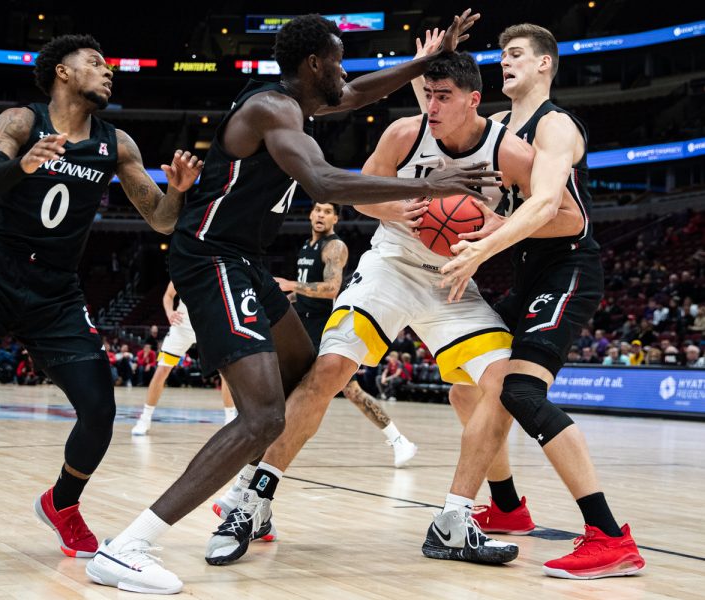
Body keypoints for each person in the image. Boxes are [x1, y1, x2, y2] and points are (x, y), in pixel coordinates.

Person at [86, 10, 499, 594]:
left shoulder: (298, 103)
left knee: (309, 379)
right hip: (212, 259)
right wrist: (433, 185)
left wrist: (426, 61)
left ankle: (252, 498)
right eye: (336, 60)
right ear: (313, 64)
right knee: (263, 416)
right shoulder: (271, 109)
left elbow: (355, 94)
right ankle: (130, 546)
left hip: (243, 261)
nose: (344, 72)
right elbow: (326, 183)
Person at [205, 49, 574, 568]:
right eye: (427, 95)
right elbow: (361, 196)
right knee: (330, 368)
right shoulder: (405, 133)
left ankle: (453, 519)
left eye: (443, 97)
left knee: (501, 382)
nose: (432, 105)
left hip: (454, 282)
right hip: (391, 267)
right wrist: (396, 207)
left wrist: (496, 232)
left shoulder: (508, 150)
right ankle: (253, 500)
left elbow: (567, 216)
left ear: (473, 101)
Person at [0, 34, 203, 583]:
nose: (107, 70)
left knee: (100, 409)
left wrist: (181, 191)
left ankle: (62, 503)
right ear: (62, 74)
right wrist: (22, 164)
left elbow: (162, 220)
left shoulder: (116, 144)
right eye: (95, 63)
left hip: (56, 291)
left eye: (108, 63)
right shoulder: (21, 122)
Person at [437, 23, 645, 579]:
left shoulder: (556, 127)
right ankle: (507, 508)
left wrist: (482, 245)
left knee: (521, 391)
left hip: (570, 266)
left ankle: (609, 535)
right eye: (500, 54)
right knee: (465, 386)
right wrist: (428, 68)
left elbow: (552, 203)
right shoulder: (499, 127)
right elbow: (443, 121)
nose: (503, 61)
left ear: (545, 64)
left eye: (516, 54)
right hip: (528, 271)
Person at [276, 201, 416, 465]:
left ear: (335, 219)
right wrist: (285, 297)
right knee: (292, 385)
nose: (320, 215)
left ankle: (399, 440)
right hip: (303, 322)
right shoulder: (307, 246)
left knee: (349, 390)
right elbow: (306, 293)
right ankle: (273, 443)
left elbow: (330, 288)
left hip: (322, 326)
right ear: (310, 213)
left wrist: (290, 284)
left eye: (327, 211)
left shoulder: (334, 247)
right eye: (317, 209)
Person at [131, 281, 238, 436]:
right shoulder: (183, 267)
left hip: (211, 326)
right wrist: (169, 313)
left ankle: (229, 420)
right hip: (183, 325)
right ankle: (145, 418)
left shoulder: (218, 267)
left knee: (226, 374)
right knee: (162, 370)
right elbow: (168, 295)